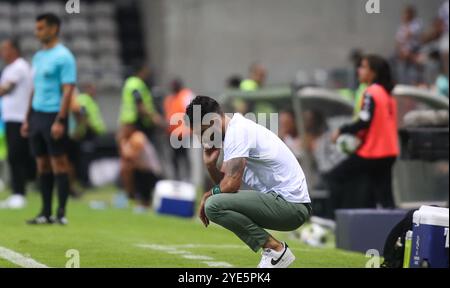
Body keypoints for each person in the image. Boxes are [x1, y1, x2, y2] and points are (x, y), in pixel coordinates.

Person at [185, 96, 311, 268]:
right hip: (284, 202)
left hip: (291, 206)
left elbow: (230, 186)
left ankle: (275, 250)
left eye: (201, 132)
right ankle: (274, 250)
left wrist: (207, 195)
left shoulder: (238, 132)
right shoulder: (233, 131)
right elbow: (224, 185)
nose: (201, 139)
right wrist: (210, 165)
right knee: (214, 203)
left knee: (213, 205)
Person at [21, 13, 77, 225]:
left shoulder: (64, 57)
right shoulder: (38, 57)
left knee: (59, 163)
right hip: (37, 116)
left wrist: (61, 120)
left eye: (41, 28)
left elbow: (68, 90)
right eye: (37, 28)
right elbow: (34, 89)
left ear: (54, 29)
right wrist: (28, 117)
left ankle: (60, 213)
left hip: (54, 114)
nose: (38, 32)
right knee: (42, 164)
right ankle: (45, 212)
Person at [328, 55, 399, 211]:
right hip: (390, 152)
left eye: (363, 67)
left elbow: (365, 120)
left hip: (373, 152)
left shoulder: (371, 92)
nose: (359, 70)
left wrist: (341, 130)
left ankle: (331, 218)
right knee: (384, 195)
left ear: (373, 72)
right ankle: (392, 229)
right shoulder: (387, 94)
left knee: (334, 177)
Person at [0, 39, 34, 209]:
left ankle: (20, 194)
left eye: (4, 49)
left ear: (14, 50)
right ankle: (16, 192)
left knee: (16, 155)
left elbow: (6, 88)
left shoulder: (19, 66)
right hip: (11, 117)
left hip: (19, 117)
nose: (2, 53)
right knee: (14, 156)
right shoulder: (8, 68)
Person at [69, 83, 106, 187]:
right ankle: (84, 181)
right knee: (84, 159)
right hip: (85, 134)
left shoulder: (89, 100)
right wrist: (89, 127)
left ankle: (84, 180)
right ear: (87, 89)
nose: (94, 92)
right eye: (93, 89)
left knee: (87, 159)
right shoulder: (84, 99)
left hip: (90, 133)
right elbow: (83, 116)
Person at [119, 124, 162, 212]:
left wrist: (122, 142)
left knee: (127, 169)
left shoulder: (138, 137)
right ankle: (133, 198)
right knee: (125, 169)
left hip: (149, 172)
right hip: (141, 170)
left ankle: (140, 201)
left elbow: (130, 155)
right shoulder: (130, 138)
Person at [163, 78, 193, 180]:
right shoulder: (170, 98)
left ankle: (187, 178)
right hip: (172, 133)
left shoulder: (185, 95)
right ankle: (176, 178)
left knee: (184, 156)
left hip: (183, 133)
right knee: (174, 158)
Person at [394, 5, 424, 85]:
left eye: (406, 14)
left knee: (414, 72)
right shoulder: (401, 27)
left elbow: (408, 35)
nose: (404, 16)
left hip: (415, 51)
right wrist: (401, 51)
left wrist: (409, 54)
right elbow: (398, 41)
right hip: (404, 53)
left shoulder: (416, 23)